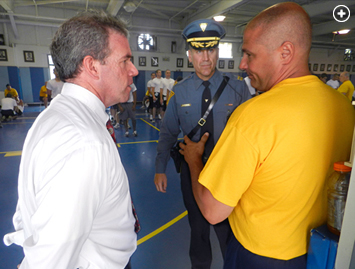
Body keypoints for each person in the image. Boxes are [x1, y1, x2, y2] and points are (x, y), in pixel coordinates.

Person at [180, 3, 355, 269]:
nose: (242, 64)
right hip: (319, 254)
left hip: (258, 256)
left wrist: (194, 160)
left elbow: (212, 211)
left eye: (250, 54)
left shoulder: (254, 115)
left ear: (286, 52)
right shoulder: (343, 107)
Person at [3, 10, 139, 268]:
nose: (134, 70)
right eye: (125, 61)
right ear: (91, 66)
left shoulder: (58, 114)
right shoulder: (84, 143)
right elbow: (50, 259)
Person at [154, 19, 251, 268]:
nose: (205, 57)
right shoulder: (180, 92)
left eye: (211, 49)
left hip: (227, 173)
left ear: (218, 51)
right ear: (189, 55)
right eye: (198, 50)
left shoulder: (238, 90)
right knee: (198, 229)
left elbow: (252, 134)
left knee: (228, 232)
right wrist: (159, 168)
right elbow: (167, 132)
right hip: (192, 172)